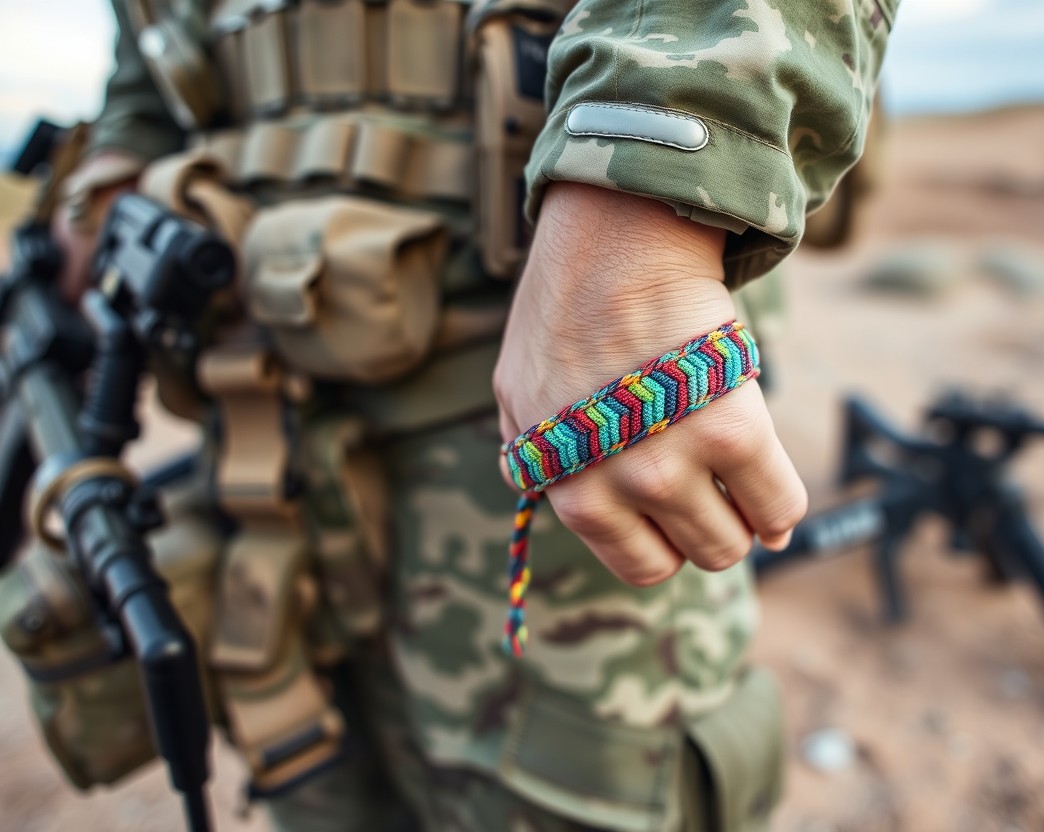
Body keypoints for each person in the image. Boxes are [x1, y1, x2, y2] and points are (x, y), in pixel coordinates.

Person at [13, 0, 895, 829]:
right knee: (312, 776)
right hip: (263, 439)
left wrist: (643, 195)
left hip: (548, 418)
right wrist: (113, 169)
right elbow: (150, 52)